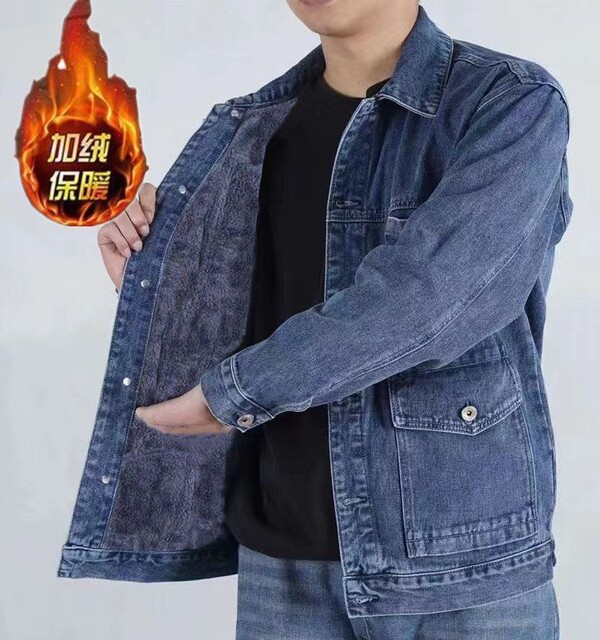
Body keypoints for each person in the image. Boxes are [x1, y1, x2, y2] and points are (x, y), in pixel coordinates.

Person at [95, 1, 571, 638]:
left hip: (457, 569)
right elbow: (241, 313)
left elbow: (431, 298)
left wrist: (233, 394)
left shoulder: (510, 103)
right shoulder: (254, 127)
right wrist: (155, 266)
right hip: (281, 566)